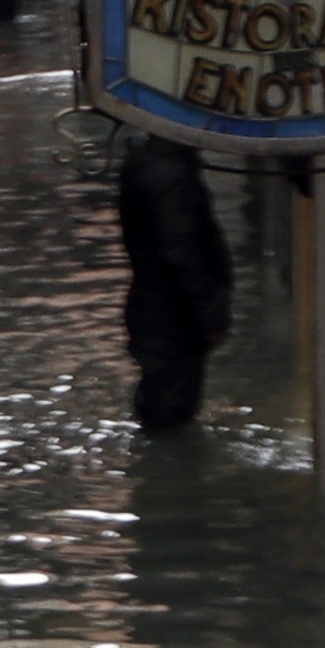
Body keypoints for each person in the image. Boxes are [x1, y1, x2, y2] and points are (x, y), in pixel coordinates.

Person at [116, 130, 237, 431]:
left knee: (162, 406)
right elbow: (182, 252)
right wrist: (213, 316)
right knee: (170, 412)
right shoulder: (173, 176)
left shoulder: (148, 163)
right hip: (172, 317)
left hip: (156, 311)